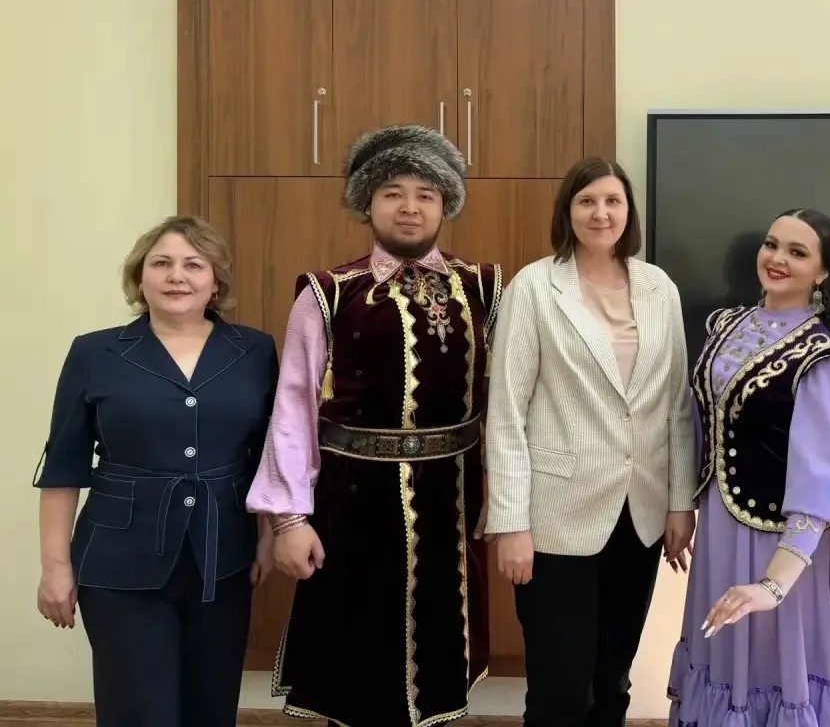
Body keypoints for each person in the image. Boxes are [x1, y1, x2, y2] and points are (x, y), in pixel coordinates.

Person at [245, 124, 504, 727]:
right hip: (352, 504)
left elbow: (509, 402)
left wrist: (506, 497)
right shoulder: (329, 292)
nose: (410, 207)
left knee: (440, 657)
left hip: (452, 502)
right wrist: (289, 520)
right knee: (356, 661)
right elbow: (293, 408)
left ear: (445, 205)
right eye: (393, 192)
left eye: (425, 194)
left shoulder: (485, 287)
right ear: (368, 202)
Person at [33, 215, 278, 727]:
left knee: (211, 707)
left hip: (223, 558)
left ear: (216, 281)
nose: (176, 276)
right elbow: (64, 467)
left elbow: (269, 457)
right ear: (139, 278)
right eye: (161, 263)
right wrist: (55, 566)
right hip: (117, 562)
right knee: (139, 711)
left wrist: (268, 538)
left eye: (194, 265)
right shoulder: (94, 352)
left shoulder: (255, 351)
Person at [484, 156, 697, 727]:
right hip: (555, 519)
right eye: (587, 201)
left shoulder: (658, 287)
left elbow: (676, 404)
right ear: (568, 211)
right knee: (560, 689)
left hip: (641, 515)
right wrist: (511, 523)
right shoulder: (534, 286)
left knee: (611, 680)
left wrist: (681, 502)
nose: (601, 213)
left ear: (628, 212)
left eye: (613, 201)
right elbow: (506, 414)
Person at [668, 208, 830, 727]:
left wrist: (773, 586)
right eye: (772, 244)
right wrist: (680, 504)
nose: (777, 258)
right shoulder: (724, 324)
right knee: (721, 651)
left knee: (771, 664)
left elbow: (823, 484)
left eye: (797, 252)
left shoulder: (824, 359)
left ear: (822, 272)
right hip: (719, 527)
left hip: (778, 542)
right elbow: (696, 421)